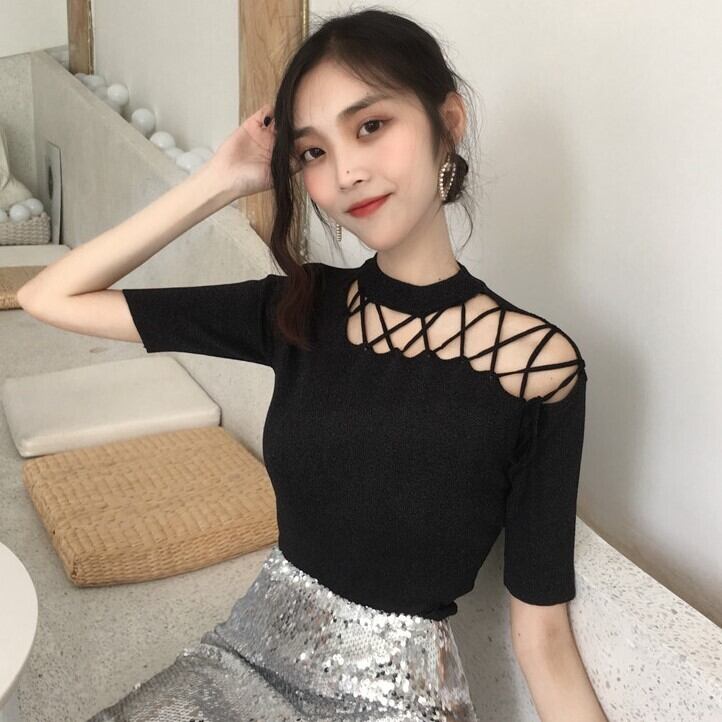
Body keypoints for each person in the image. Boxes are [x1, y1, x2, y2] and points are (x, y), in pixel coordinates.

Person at [18, 8, 609, 722]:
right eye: (312, 153)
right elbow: (48, 296)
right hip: (242, 654)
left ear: (447, 123)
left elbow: (543, 638)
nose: (346, 173)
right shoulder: (300, 309)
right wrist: (220, 179)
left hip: (390, 699)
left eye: (371, 126)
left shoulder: (536, 368)